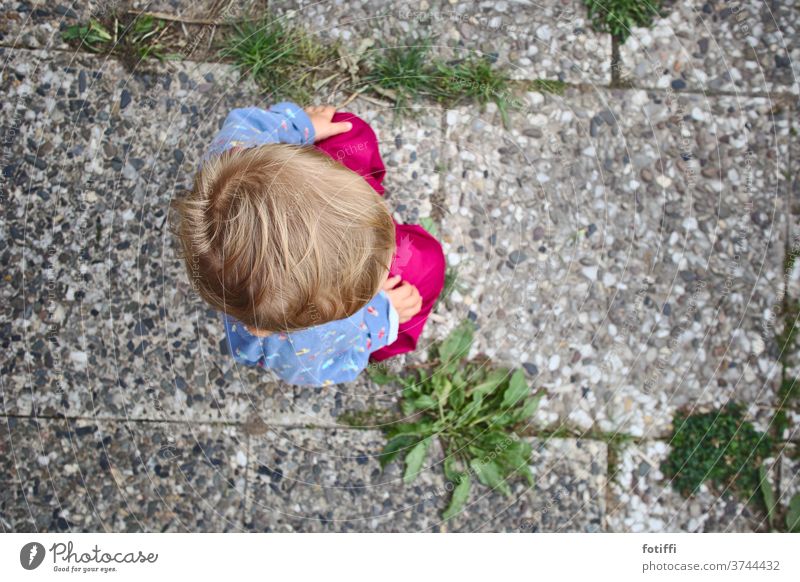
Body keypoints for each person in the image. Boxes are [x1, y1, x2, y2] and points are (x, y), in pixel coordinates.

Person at [172, 103, 445, 386]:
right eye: (373, 277)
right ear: (261, 330)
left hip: (307, 200)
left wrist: (299, 125)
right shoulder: (300, 347)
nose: (391, 258)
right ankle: (391, 335)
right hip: (349, 329)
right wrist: (382, 320)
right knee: (427, 261)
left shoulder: (230, 165)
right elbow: (330, 370)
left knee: (352, 134)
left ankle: (356, 219)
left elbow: (246, 124)